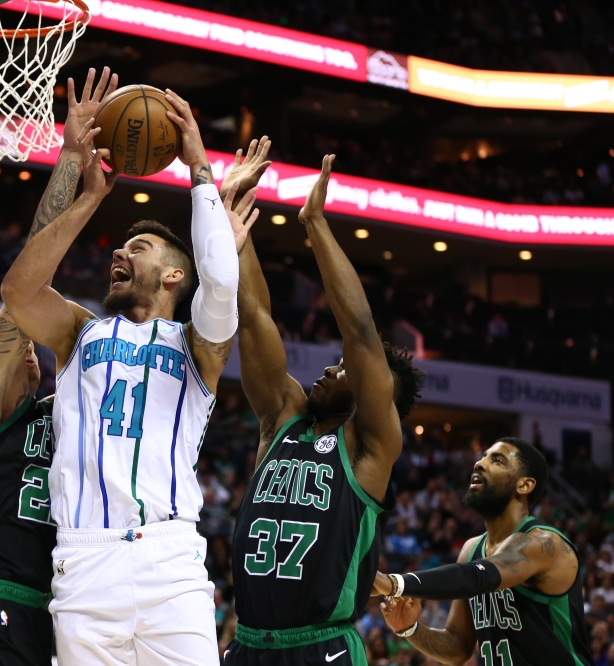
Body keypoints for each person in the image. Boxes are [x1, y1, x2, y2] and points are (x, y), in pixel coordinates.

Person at [1, 83, 252, 665]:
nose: (120, 253)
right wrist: (86, 192)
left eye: (137, 248)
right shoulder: (78, 332)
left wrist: (198, 168)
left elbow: (219, 281)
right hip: (84, 556)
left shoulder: (199, 347)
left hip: (170, 559)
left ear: (172, 277)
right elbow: (18, 292)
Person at [0, 66, 119, 666]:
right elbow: (23, 290)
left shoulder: (72, 416)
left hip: (52, 610)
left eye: (41, 357)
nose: (31, 360)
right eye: (21, 353)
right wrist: (70, 167)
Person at [222, 151, 424, 666]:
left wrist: (315, 224)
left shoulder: (370, 447)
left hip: (321, 647)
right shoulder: (284, 416)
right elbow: (254, 315)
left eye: (344, 370)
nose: (332, 370)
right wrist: (230, 219)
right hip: (247, 643)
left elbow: (359, 331)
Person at [374, 437, 592, 666]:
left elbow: (477, 576)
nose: (479, 463)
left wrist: (393, 582)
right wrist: (409, 629)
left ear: (524, 485)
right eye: (482, 457)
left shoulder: (544, 543)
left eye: (497, 460)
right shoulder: (472, 549)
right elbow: (457, 647)